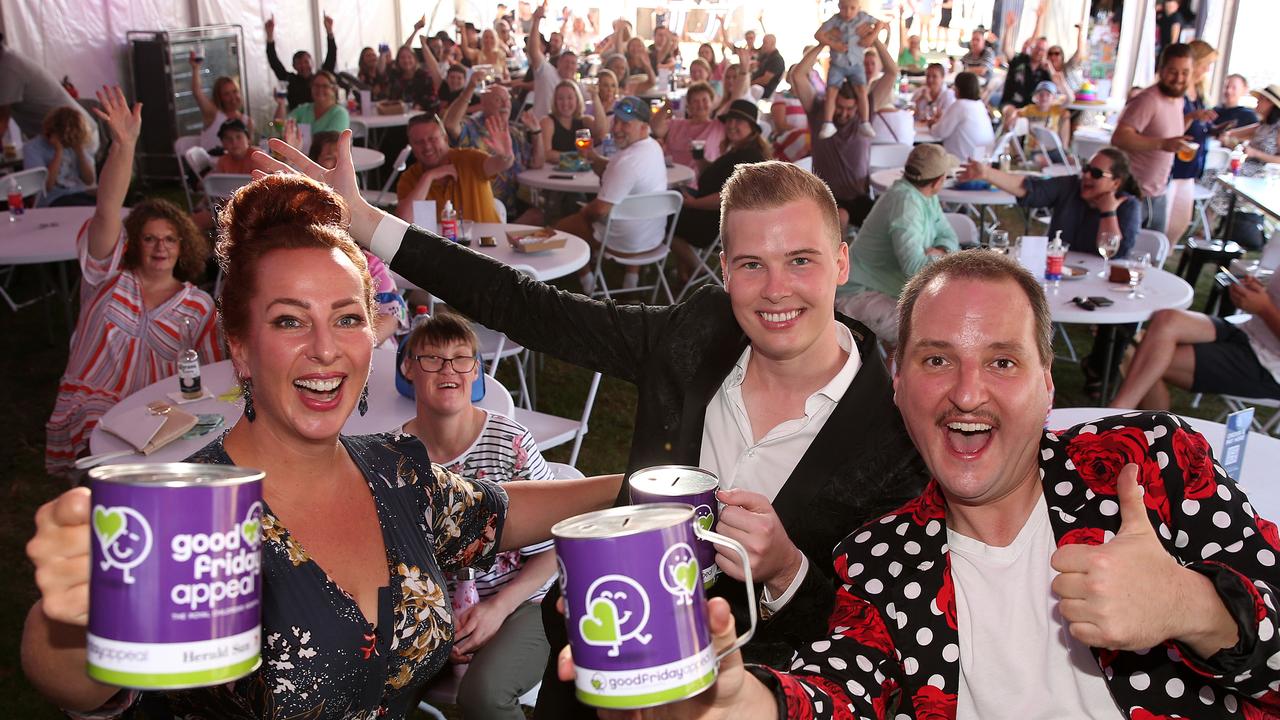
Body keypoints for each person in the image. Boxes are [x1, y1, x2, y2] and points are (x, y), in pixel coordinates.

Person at [262, 133, 928, 720]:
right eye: (752, 264)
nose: (776, 289)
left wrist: (785, 571)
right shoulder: (696, 334)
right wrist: (369, 222)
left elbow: (877, 634)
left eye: (801, 260)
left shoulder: (895, 432)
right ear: (725, 270)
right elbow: (528, 307)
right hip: (596, 680)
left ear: (841, 263)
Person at [24, 166, 624, 719]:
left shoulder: (394, 470)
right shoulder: (197, 516)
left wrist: (636, 487)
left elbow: (502, 510)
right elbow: (84, 683)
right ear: (237, 345)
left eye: (347, 317)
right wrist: (74, 618)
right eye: (289, 320)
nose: (326, 348)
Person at [578, 250, 1280, 720]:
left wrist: (1196, 607)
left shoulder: (1148, 466)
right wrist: (735, 703)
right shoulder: (881, 558)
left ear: (1046, 384)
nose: (967, 394)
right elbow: (839, 689)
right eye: (937, 359)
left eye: (1002, 362)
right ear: (899, 384)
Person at [43, 87, 221, 475]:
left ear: (183, 246)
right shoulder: (107, 278)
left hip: (160, 408)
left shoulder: (198, 306)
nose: (160, 247)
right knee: (104, 457)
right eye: (150, 238)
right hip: (95, 401)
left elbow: (211, 372)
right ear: (134, 243)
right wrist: (124, 145)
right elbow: (106, 210)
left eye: (170, 239)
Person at [400, 313, 558, 719]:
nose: (448, 369)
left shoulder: (510, 443)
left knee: (484, 697)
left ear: (476, 371)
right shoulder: (397, 457)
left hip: (523, 601)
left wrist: (496, 610)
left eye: (461, 359)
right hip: (432, 609)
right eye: (432, 358)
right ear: (408, 368)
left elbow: (555, 551)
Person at [835, 143, 959, 341]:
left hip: (886, 288)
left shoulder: (924, 196)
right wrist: (943, 257)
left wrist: (941, 251)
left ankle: (896, 367)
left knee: (947, 319)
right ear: (938, 181)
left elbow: (949, 237)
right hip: (858, 293)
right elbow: (915, 268)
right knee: (931, 333)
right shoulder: (905, 204)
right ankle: (894, 370)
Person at [1111, 270, 1280, 409]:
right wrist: (1259, 292)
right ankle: (1122, 415)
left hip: (1271, 365)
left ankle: (1121, 417)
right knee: (1167, 319)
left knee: (1146, 361)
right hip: (1248, 329)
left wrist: (1264, 307)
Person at [555, 96, 666, 293]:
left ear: (643, 127)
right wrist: (593, 156)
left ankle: (588, 284)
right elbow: (615, 171)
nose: (616, 129)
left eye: (626, 124)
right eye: (616, 121)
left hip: (624, 244)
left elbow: (598, 210)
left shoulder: (627, 161)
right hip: (653, 239)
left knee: (565, 226)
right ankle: (631, 281)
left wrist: (582, 215)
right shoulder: (653, 147)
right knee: (631, 213)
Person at [309, 131, 407, 345]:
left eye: (343, 158)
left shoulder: (366, 263)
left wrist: (355, 349)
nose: (336, 164)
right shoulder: (300, 265)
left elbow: (393, 315)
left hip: (371, 350)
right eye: (328, 157)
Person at [961, 145, 1143, 258]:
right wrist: (986, 173)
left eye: (1096, 174)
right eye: (1087, 168)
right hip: (1058, 269)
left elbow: (1116, 252)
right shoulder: (1071, 185)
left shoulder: (1128, 205)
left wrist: (1108, 212)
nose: (1086, 175)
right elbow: (1030, 189)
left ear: (1116, 182)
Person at [671, 100, 771, 283]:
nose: (732, 125)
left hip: (714, 222)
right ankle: (683, 273)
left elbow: (730, 196)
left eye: (739, 121)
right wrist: (700, 160)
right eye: (730, 120)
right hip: (709, 211)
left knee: (664, 219)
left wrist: (693, 203)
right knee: (672, 200)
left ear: (752, 128)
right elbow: (717, 176)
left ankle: (697, 268)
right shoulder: (738, 148)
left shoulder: (750, 156)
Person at [789, 42, 876, 229]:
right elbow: (797, 75)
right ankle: (838, 258)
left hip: (859, 197)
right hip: (825, 198)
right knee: (841, 217)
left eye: (849, 109)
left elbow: (892, 72)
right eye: (839, 107)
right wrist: (824, 42)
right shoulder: (818, 110)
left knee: (887, 218)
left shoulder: (864, 114)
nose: (844, 113)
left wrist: (873, 40)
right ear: (831, 101)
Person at [1111, 42, 1195, 234]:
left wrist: (1190, 120)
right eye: (1173, 71)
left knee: (1152, 256)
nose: (1179, 78)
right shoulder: (1147, 100)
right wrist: (1162, 144)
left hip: (1158, 192)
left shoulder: (1178, 99)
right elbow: (1119, 137)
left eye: (1185, 72)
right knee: (1123, 256)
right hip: (1133, 193)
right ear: (1161, 70)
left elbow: (1164, 129)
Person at [443, 78, 544, 224]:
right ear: (483, 104)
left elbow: (537, 162)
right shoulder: (472, 127)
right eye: (498, 100)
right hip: (479, 205)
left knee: (538, 215)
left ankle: (505, 232)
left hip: (511, 204)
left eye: (508, 100)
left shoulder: (514, 132)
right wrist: (470, 88)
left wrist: (537, 132)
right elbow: (450, 124)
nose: (505, 105)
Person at [396, 113, 509, 224]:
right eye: (419, 142)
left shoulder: (470, 159)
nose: (427, 146)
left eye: (432, 139)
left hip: (487, 241)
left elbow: (499, 164)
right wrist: (429, 177)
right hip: (440, 242)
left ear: (445, 139)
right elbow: (404, 220)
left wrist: (506, 155)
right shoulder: (409, 178)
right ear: (411, 146)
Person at [0, 39, 99, 155]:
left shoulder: (7, 68)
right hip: (62, 139)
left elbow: (1, 121)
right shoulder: (9, 61)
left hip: (75, 137)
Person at [1166, 40, 1219, 246]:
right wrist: (1193, 117)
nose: (1207, 70)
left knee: (1180, 222)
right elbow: (1172, 129)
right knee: (1165, 221)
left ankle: (1164, 257)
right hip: (1174, 165)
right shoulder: (1177, 93)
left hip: (1190, 167)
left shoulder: (1199, 92)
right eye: (1205, 64)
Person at [814, 0, 881, 140]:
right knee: (831, 91)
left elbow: (882, 24)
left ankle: (865, 122)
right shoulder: (835, 20)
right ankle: (828, 123)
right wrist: (833, 43)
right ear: (839, 7)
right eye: (844, 8)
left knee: (862, 91)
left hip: (856, 63)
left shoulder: (863, 18)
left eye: (852, 8)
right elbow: (818, 35)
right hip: (838, 63)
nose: (848, 12)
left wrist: (871, 35)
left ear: (858, 8)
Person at [22, 106, 95, 207]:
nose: (67, 144)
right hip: (53, 200)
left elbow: (89, 180)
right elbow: (46, 186)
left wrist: (80, 151)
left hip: (79, 194)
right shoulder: (33, 148)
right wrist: (58, 152)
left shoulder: (74, 143)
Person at [265, 13, 336, 110]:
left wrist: (329, 31)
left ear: (312, 63)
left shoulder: (319, 78)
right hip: (297, 121)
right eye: (299, 63)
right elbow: (274, 61)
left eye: (306, 62)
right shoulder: (289, 79)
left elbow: (331, 57)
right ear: (294, 67)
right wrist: (269, 36)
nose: (303, 66)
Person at [651, 82, 725, 171]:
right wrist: (666, 107)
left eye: (704, 100)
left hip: (701, 181)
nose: (700, 105)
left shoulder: (718, 126)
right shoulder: (676, 124)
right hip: (673, 178)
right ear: (688, 105)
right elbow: (656, 128)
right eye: (695, 101)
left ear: (712, 103)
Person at [189, 52, 254, 150]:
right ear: (219, 97)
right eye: (227, 94)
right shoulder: (213, 114)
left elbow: (249, 149)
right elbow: (197, 92)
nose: (233, 97)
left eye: (235, 91)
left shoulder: (247, 121)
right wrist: (195, 68)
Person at [929, 71, 994, 161]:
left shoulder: (960, 105)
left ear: (958, 88)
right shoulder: (979, 105)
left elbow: (939, 133)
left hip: (962, 162)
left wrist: (931, 125)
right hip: (983, 160)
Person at [529, 5, 579, 118]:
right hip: (540, 129)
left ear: (577, 68)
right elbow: (533, 51)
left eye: (573, 63)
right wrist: (536, 21)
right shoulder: (546, 72)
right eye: (566, 62)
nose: (569, 66)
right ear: (559, 63)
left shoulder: (578, 87)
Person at [1003, 80, 1069, 166]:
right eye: (1041, 95)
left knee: (1070, 161)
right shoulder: (1030, 109)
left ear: (1053, 98)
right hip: (1035, 150)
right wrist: (1013, 117)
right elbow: (1016, 112)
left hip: (1054, 149)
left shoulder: (1056, 109)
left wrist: (1062, 83)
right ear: (1036, 96)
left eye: (1048, 95)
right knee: (1044, 162)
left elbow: (1070, 99)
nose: (1044, 98)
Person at [274, 69, 350, 141]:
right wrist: (281, 103)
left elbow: (331, 141)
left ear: (333, 90)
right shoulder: (304, 109)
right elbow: (280, 127)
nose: (320, 89)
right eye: (316, 85)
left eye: (325, 86)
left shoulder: (340, 113)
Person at [1221, 84, 1280, 176]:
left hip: (1264, 176)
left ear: (1271, 103)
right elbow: (1231, 134)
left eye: (1261, 98)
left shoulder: (1277, 128)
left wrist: (1255, 153)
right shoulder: (1262, 126)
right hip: (1246, 171)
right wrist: (1227, 138)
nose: (1257, 101)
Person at [538, 80, 593, 164]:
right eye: (560, 98)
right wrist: (576, 157)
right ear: (555, 102)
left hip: (578, 170)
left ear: (577, 100)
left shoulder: (584, 121)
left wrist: (595, 98)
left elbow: (602, 130)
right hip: (551, 172)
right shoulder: (547, 122)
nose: (565, 103)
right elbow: (546, 154)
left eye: (570, 98)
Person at [387, 42, 444, 114]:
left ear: (415, 59)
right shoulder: (395, 76)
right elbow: (391, 98)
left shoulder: (424, 76)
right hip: (397, 115)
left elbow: (433, 98)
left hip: (422, 117)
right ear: (398, 61)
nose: (406, 60)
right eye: (402, 57)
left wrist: (420, 105)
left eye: (409, 57)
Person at [585, 68, 620, 141]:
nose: (610, 89)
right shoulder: (587, 107)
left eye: (613, 85)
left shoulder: (620, 105)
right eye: (605, 85)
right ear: (598, 86)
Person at [751, 34, 786, 100]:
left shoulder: (777, 59)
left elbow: (765, 80)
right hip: (755, 87)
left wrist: (749, 84)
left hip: (762, 91)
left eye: (765, 43)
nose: (763, 45)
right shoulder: (765, 56)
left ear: (773, 43)